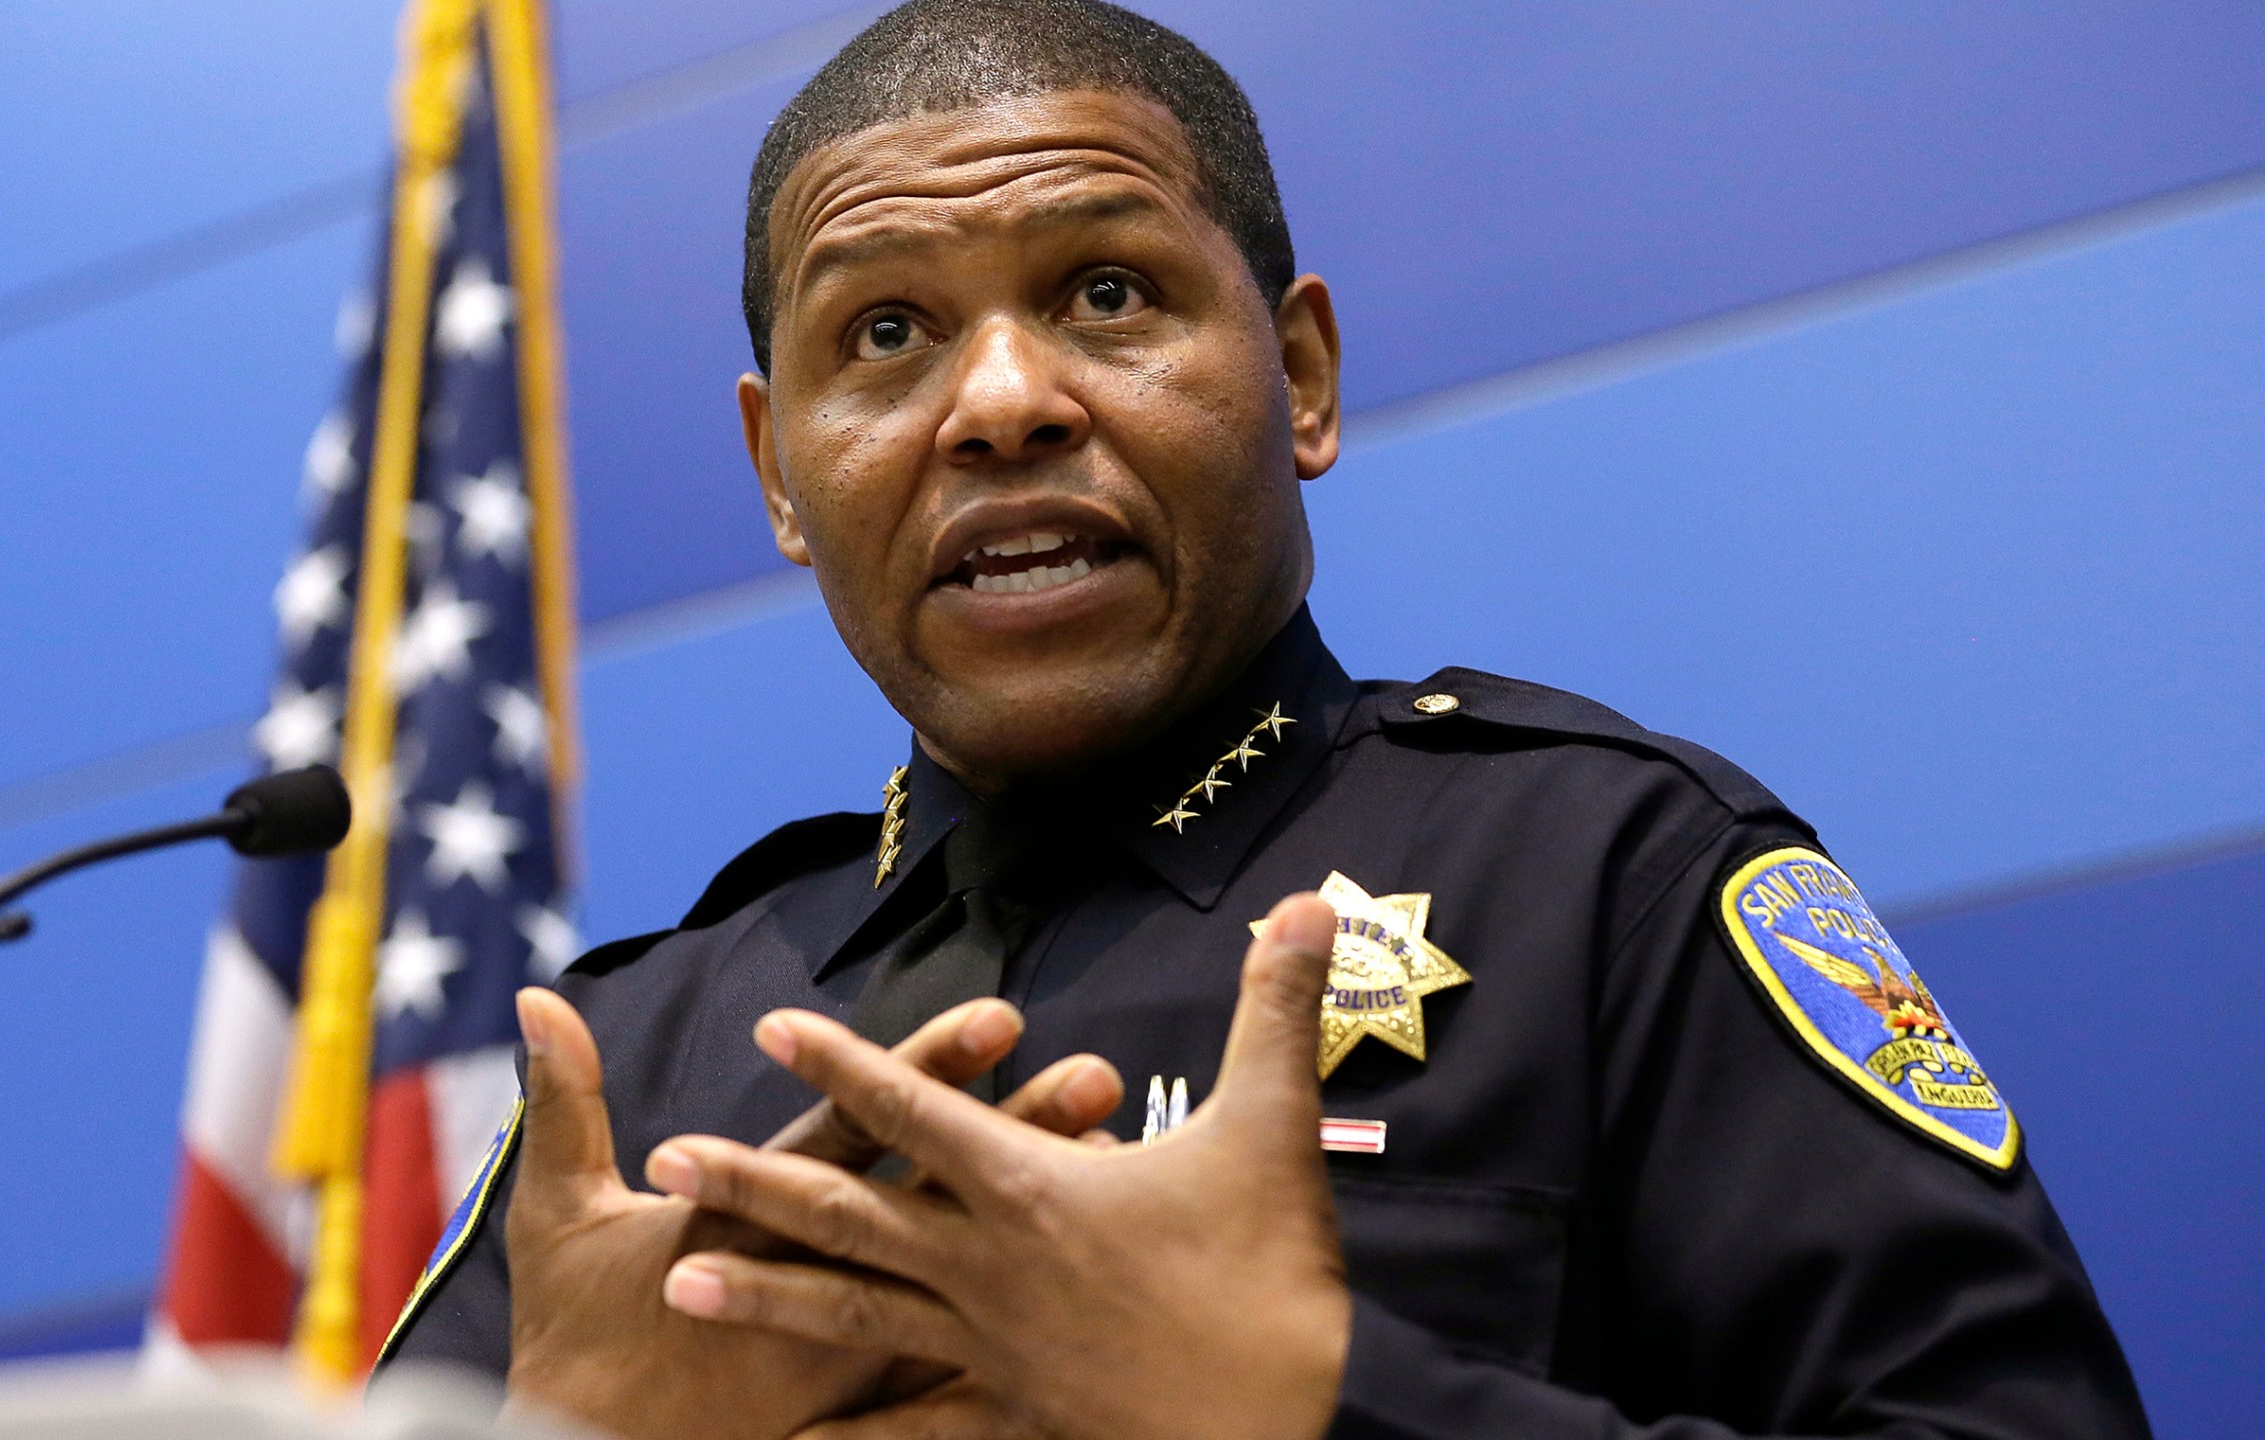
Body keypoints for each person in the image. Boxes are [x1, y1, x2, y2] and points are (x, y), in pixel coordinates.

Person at [377, 2, 2152, 1437]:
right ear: (780, 472)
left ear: (1297, 373)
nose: (1001, 404)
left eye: (1106, 294)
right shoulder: (630, 1060)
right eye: (892, 331)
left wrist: (1320, 1405)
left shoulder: (1606, 875)